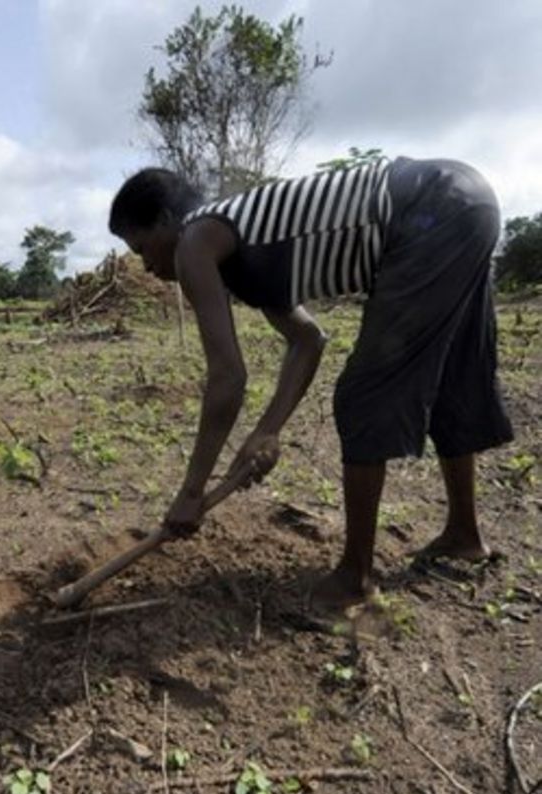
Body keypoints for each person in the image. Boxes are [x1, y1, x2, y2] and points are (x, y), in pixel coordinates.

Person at [108, 156, 513, 610]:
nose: (144, 266)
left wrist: (191, 493)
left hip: (430, 211)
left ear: (166, 221)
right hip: (469, 200)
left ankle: (353, 578)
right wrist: (268, 432)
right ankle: (464, 534)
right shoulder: (246, 244)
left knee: (362, 399)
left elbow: (228, 376)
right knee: (454, 376)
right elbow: (308, 341)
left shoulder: (195, 240)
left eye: (141, 248)